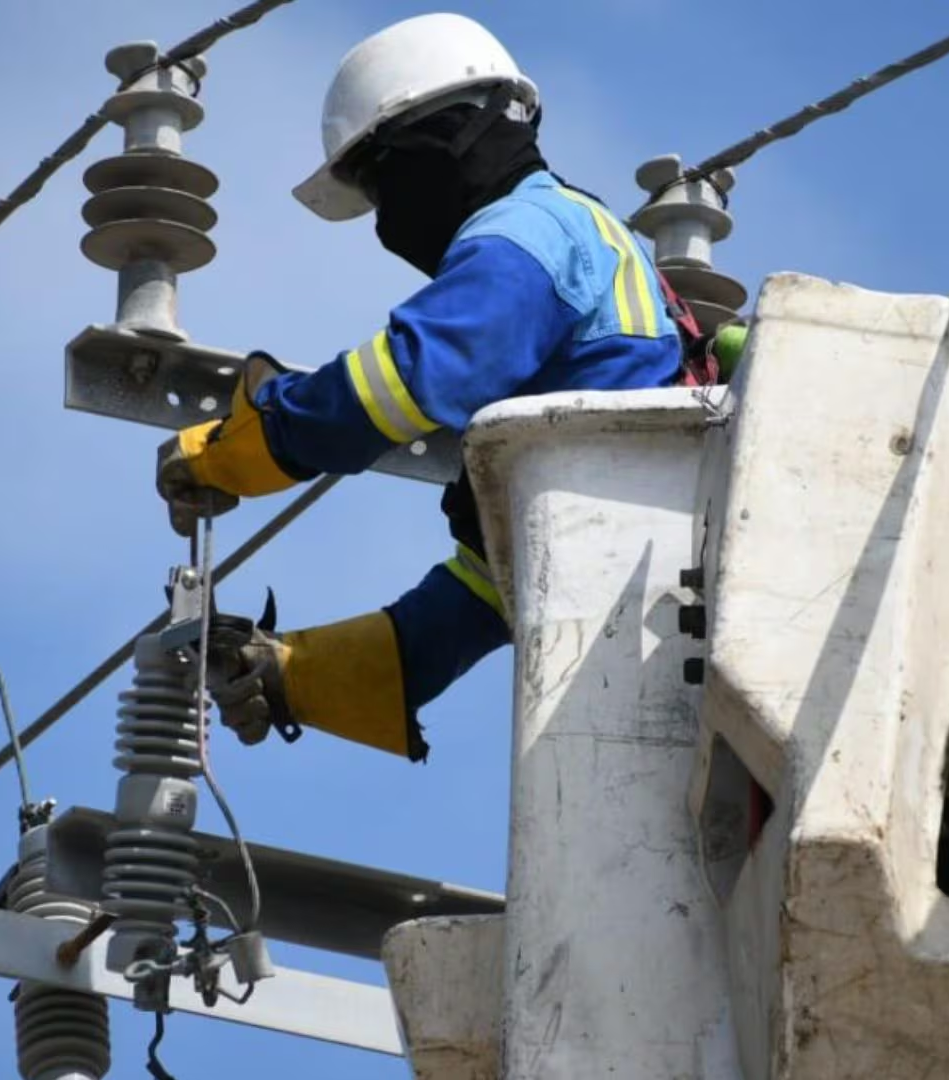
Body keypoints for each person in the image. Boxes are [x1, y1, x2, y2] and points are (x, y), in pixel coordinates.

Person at [155, 13, 685, 762]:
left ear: (437, 138)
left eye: (377, 181)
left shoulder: (529, 234)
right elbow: (493, 587)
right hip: (647, 612)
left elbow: (407, 379)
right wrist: (300, 675)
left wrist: (253, 442)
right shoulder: (580, 245)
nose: (386, 217)